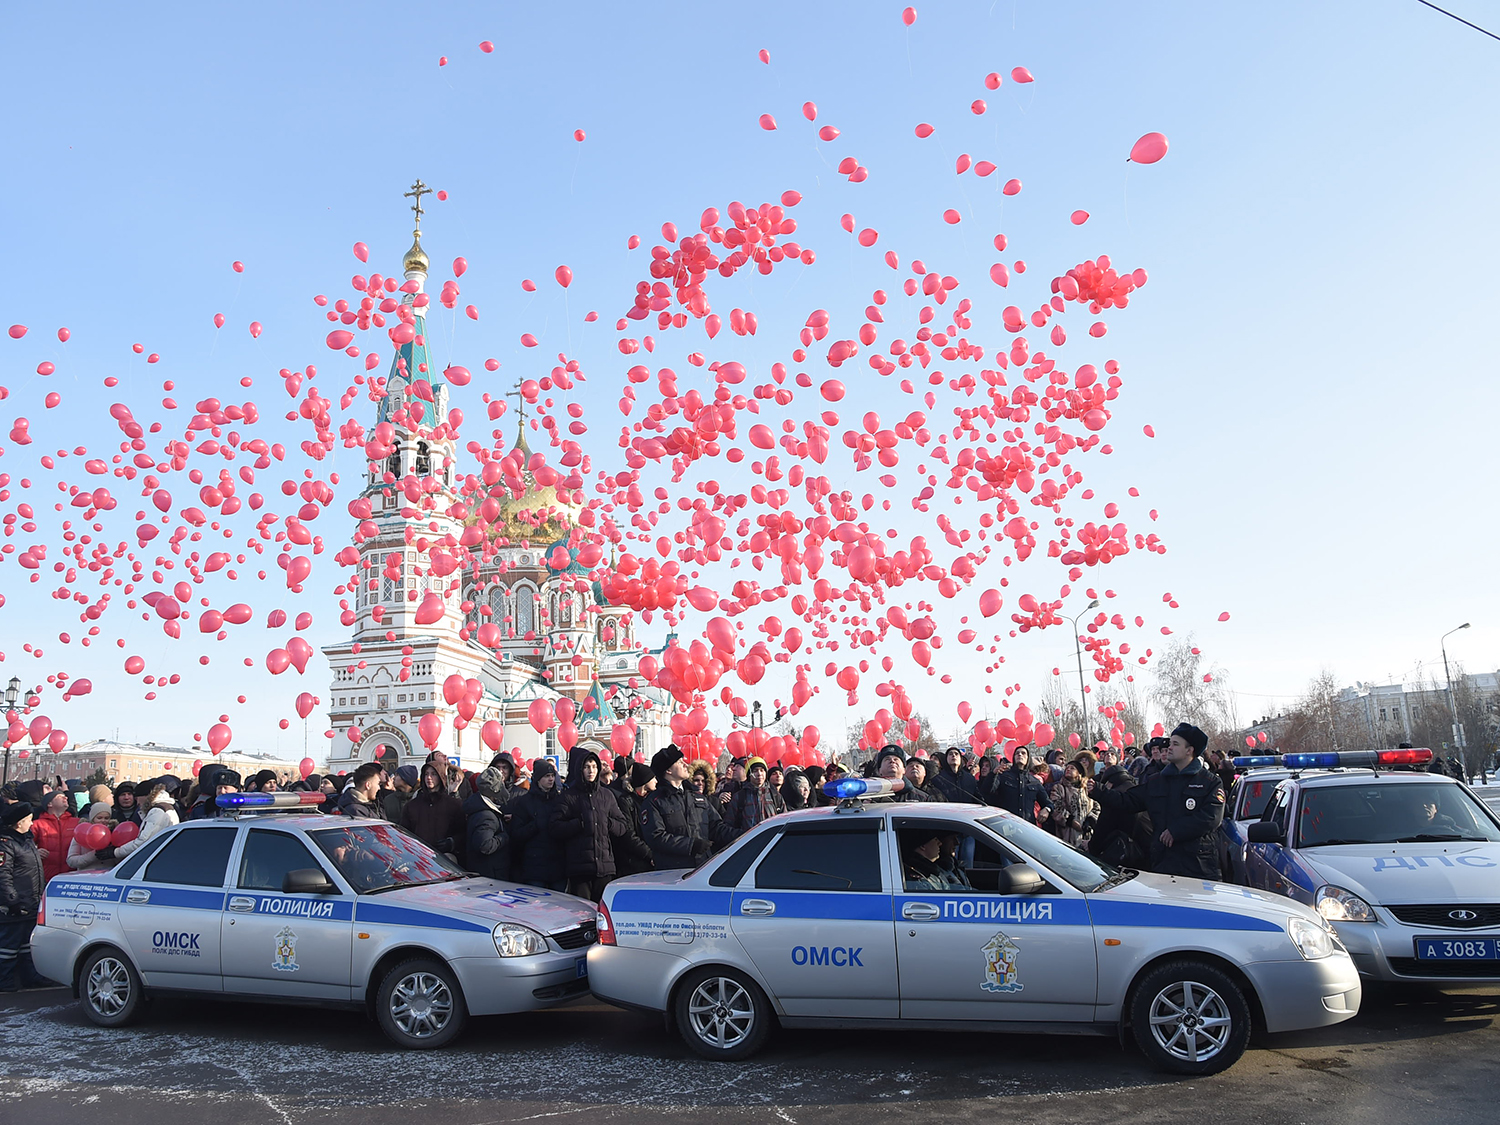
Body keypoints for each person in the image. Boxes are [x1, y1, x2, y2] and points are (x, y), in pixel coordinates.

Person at [1091, 723, 1225, 879]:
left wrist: (1176, 831)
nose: (1169, 747)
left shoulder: (1209, 782)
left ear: (1190, 750)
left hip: (1198, 863)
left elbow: (1212, 817)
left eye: (1175, 744)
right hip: (1164, 862)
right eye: (1170, 743)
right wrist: (1098, 791)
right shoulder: (1157, 781)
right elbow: (1128, 800)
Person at [642, 746, 738, 870]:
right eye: (679, 762)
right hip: (672, 870)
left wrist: (743, 835)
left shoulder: (697, 796)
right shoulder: (654, 801)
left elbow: (717, 827)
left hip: (702, 867)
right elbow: (656, 837)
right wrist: (691, 845)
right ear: (668, 770)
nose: (685, 764)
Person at [552, 749, 627, 901]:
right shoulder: (569, 796)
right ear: (580, 770)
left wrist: (607, 823)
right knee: (582, 912)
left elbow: (622, 826)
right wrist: (579, 824)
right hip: (580, 868)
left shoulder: (607, 795)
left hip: (605, 866)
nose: (590, 771)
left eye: (593, 766)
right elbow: (555, 827)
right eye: (586, 767)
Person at [0, 803, 50, 991]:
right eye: (29, 819)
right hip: (14, 906)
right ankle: (4, 981)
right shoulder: (6, 844)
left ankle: (31, 977)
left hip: (30, 902)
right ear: (19, 822)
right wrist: (12, 902)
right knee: (8, 947)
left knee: (27, 945)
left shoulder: (26, 840)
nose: (32, 822)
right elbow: (3, 876)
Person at [509, 758, 568, 890]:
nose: (551, 779)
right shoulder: (525, 802)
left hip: (557, 864)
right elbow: (516, 833)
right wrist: (535, 826)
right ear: (538, 778)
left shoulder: (559, 800)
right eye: (547, 776)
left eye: (553, 776)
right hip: (534, 865)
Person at [1088, 765, 1154, 868]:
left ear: (1109, 783)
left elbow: (1103, 829)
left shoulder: (1114, 799)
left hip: (1127, 859)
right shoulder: (1138, 794)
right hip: (1151, 855)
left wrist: (1091, 848)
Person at [400, 762, 466, 863]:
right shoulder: (412, 806)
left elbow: (463, 831)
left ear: (441, 777)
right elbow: (404, 833)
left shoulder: (453, 804)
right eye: (426, 774)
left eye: (433, 774)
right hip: (418, 859)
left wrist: (452, 842)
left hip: (445, 861)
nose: (429, 778)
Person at [982, 746, 1052, 825]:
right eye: (1017, 753)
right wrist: (993, 774)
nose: (1020, 755)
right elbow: (987, 791)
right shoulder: (1003, 776)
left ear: (1028, 759)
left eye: (1023, 753)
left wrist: (1047, 809)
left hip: (1027, 826)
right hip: (1006, 825)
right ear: (1014, 758)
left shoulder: (1035, 782)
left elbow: (1048, 803)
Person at [463, 767, 512, 880]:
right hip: (490, 874)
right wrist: (504, 836)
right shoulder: (486, 816)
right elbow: (485, 845)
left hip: (484, 872)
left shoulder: (478, 808)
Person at [611, 762, 656, 877]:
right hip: (633, 863)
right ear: (645, 781)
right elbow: (628, 834)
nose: (656, 781)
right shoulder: (626, 801)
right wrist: (649, 854)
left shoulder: (652, 799)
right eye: (653, 778)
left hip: (651, 862)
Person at [115, 781, 179, 859]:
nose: (137, 802)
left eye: (137, 798)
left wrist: (116, 852)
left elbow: (143, 841)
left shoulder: (157, 811)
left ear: (145, 796)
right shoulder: (165, 807)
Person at [30, 791, 78, 886]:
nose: (66, 798)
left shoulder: (77, 822)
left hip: (72, 876)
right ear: (49, 804)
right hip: (46, 878)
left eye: (65, 796)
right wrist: (35, 852)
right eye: (60, 797)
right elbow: (24, 845)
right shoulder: (37, 824)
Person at [727, 757, 785, 831]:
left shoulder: (775, 796)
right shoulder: (740, 797)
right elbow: (729, 824)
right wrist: (741, 836)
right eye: (755, 771)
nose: (759, 774)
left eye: (762, 770)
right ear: (749, 775)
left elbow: (784, 820)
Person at [1049, 761, 1096, 847]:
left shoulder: (1086, 790)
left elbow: (1096, 807)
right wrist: (1070, 821)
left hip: (1085, 836)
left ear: (1079, 773)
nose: (1068, 770)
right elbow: (1055, 806)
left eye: (1072, 768)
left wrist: (1090, 820)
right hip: (1066, 834)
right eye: (1067, 768)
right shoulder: (1059, 788)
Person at [868, 746, 934, 802]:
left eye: (896, 759)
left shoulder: (922, 799)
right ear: (879, 770)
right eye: (887, 759)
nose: (892, 761)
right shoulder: (870, 797)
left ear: (904, 769)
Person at [67, 802, 117, 871]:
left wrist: (112, 853)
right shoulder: (81, 834)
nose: (103, 821)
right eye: (99, 818)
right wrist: (94, 855)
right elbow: (71, 861)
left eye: (106, 818)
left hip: (107, 876)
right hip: (86, 876)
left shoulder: (114, 834)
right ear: (92, 818)